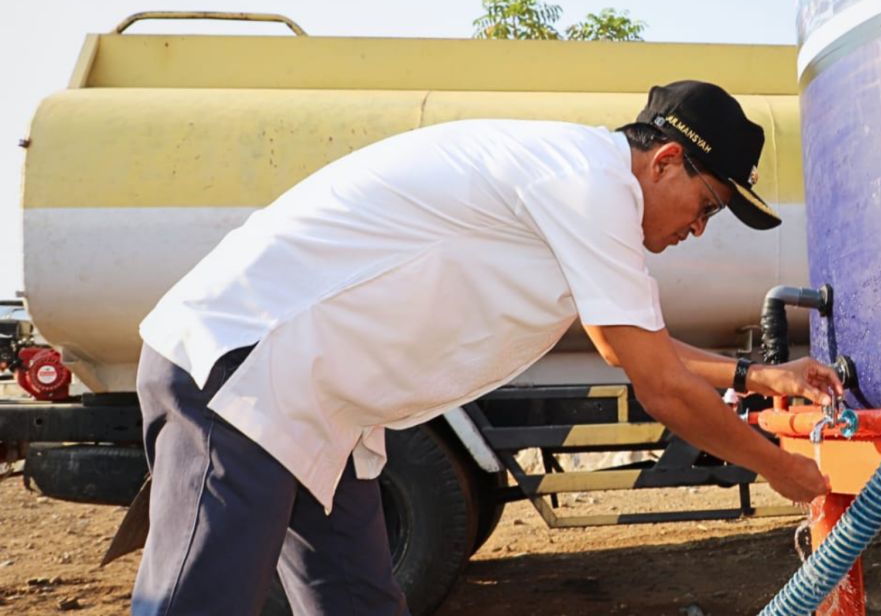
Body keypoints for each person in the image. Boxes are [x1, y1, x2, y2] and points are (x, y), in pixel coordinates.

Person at [132, 79, 842, 615]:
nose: (699, 230)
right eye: (708, 207)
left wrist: (757, 374)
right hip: (249, 367)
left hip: (323, 409)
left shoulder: (584, 190)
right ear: (665, 162)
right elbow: (656, 382)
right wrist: (782, 469)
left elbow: (633, 342)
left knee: (358, 603)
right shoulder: (589, 187)